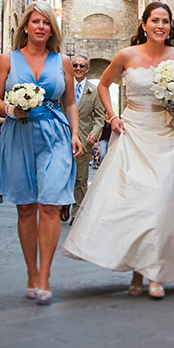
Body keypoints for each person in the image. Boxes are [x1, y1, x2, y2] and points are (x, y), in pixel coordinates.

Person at [63, 1, 174, 299]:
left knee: (162, 202)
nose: (160, 26)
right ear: (144, 24)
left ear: (169, 25)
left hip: (166, 134)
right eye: (155, 21)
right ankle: (140, 272)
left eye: (165, 21)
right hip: (134, 132)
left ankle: (154, 273)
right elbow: (103, 85)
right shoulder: (127, 55)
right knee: (138, 204)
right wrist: (113, 116)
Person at [0, 1, 82, 305]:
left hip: (55, 135)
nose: (41, 26)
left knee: (50, 205)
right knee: (26, 208)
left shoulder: (63, 62)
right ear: (26, 27)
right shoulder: (7, 60)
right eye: (36, 21)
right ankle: (31, 272)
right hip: (19, 135)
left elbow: (70, 102)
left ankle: (45, 275)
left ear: (51, 29)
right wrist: (12, 109)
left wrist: (76, 134)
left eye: (46, 22)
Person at [64, 53, 105, 223]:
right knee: (63, 175)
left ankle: (77, 212)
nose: (78, 69)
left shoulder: (94, 90)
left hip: (83, 140)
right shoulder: (63, 87)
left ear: (87, 69)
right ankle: (63, 204)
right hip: (63, 137)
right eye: (75, 65)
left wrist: (94, 134)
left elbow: (99, 117)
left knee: (81, 178)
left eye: (82, 66)